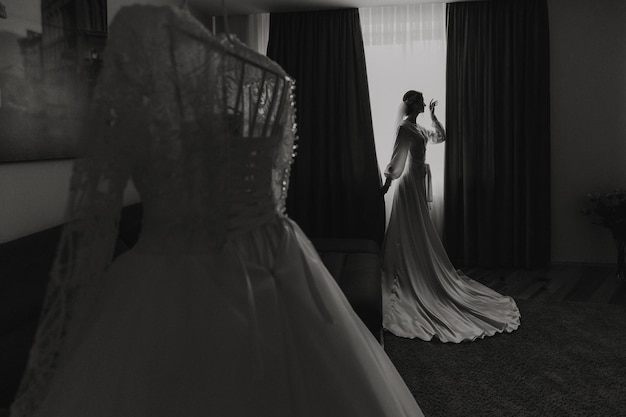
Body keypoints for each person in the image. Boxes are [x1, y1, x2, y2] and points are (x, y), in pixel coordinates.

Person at [9, 5, 425, 417]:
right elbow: (276, 185)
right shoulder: (268, 77)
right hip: (250, 252)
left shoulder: (161, 53)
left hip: (220, 256)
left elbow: (104, 186)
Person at [381, 90, 520, 343]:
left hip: (419, 181)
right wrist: (387, 184)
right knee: (411, 227)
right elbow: (397, 156)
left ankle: (418, 264)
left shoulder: (419, 129)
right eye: (422, 102)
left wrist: (434, 116)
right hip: (410, 182)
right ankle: (406, 270)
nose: (425, 103)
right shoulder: (405, 129)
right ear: (413, 103)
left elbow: (441, 136)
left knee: (419, 227)